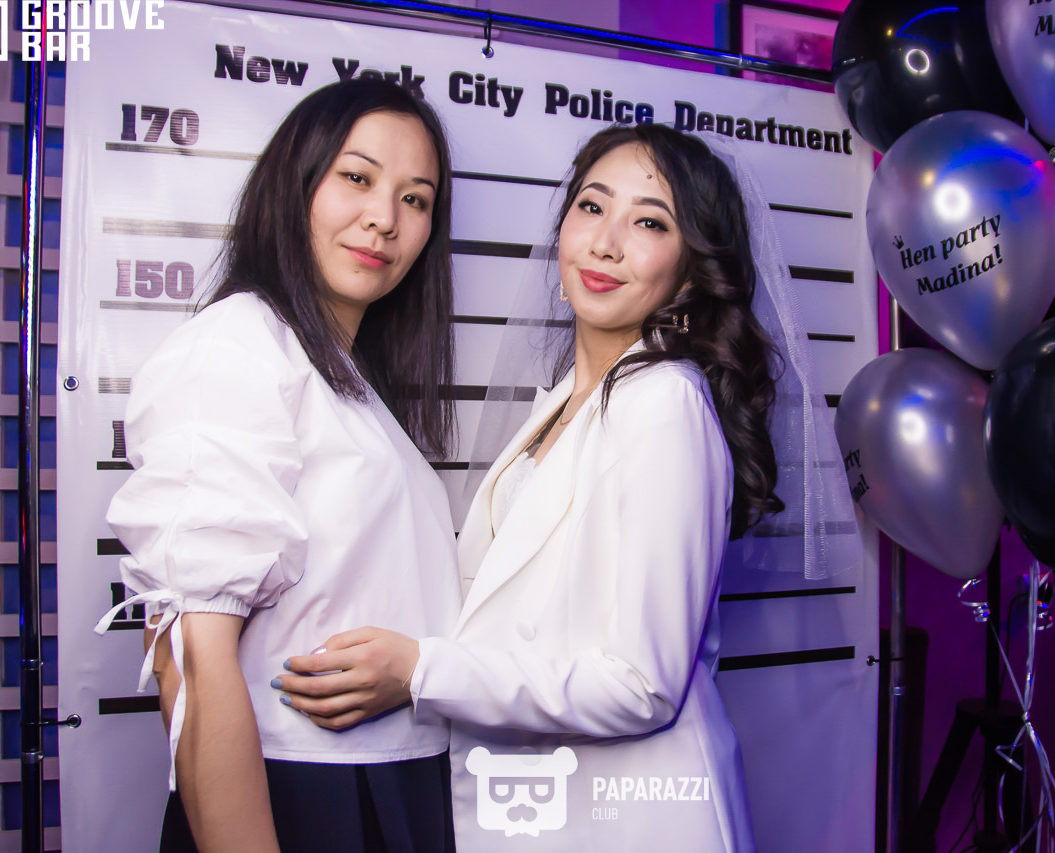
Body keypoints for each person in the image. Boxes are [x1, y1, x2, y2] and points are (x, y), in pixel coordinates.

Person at [275, 124, 861, 851]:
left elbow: (643, 685)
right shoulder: (563, 402)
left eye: (650, 222)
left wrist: (420, 671)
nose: (606, 242)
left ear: (690, 270)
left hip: (631, 820)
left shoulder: (664, 399)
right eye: (592, 206)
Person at [96, 77, 461, 853]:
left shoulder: (350, 379)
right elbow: (190, 659)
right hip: (302, 790)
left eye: (416, 199)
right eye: (356, 178)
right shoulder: (236, 344)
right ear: (295, 183)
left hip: (394, 778)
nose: (384, 218)